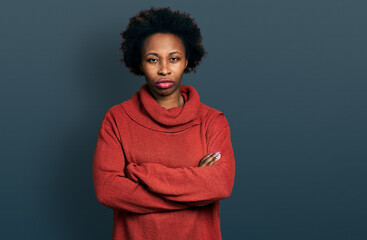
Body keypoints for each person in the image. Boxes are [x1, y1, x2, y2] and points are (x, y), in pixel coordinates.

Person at [92, 7, 235, 240]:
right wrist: (194, 188)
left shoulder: (212, 121)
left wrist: (142, 173)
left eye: (174, 58)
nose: (165, 69)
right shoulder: (117, 119)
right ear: (139, 63)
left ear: (187, 60)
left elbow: (221, 184)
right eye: (152, 59)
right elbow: (107, 191)